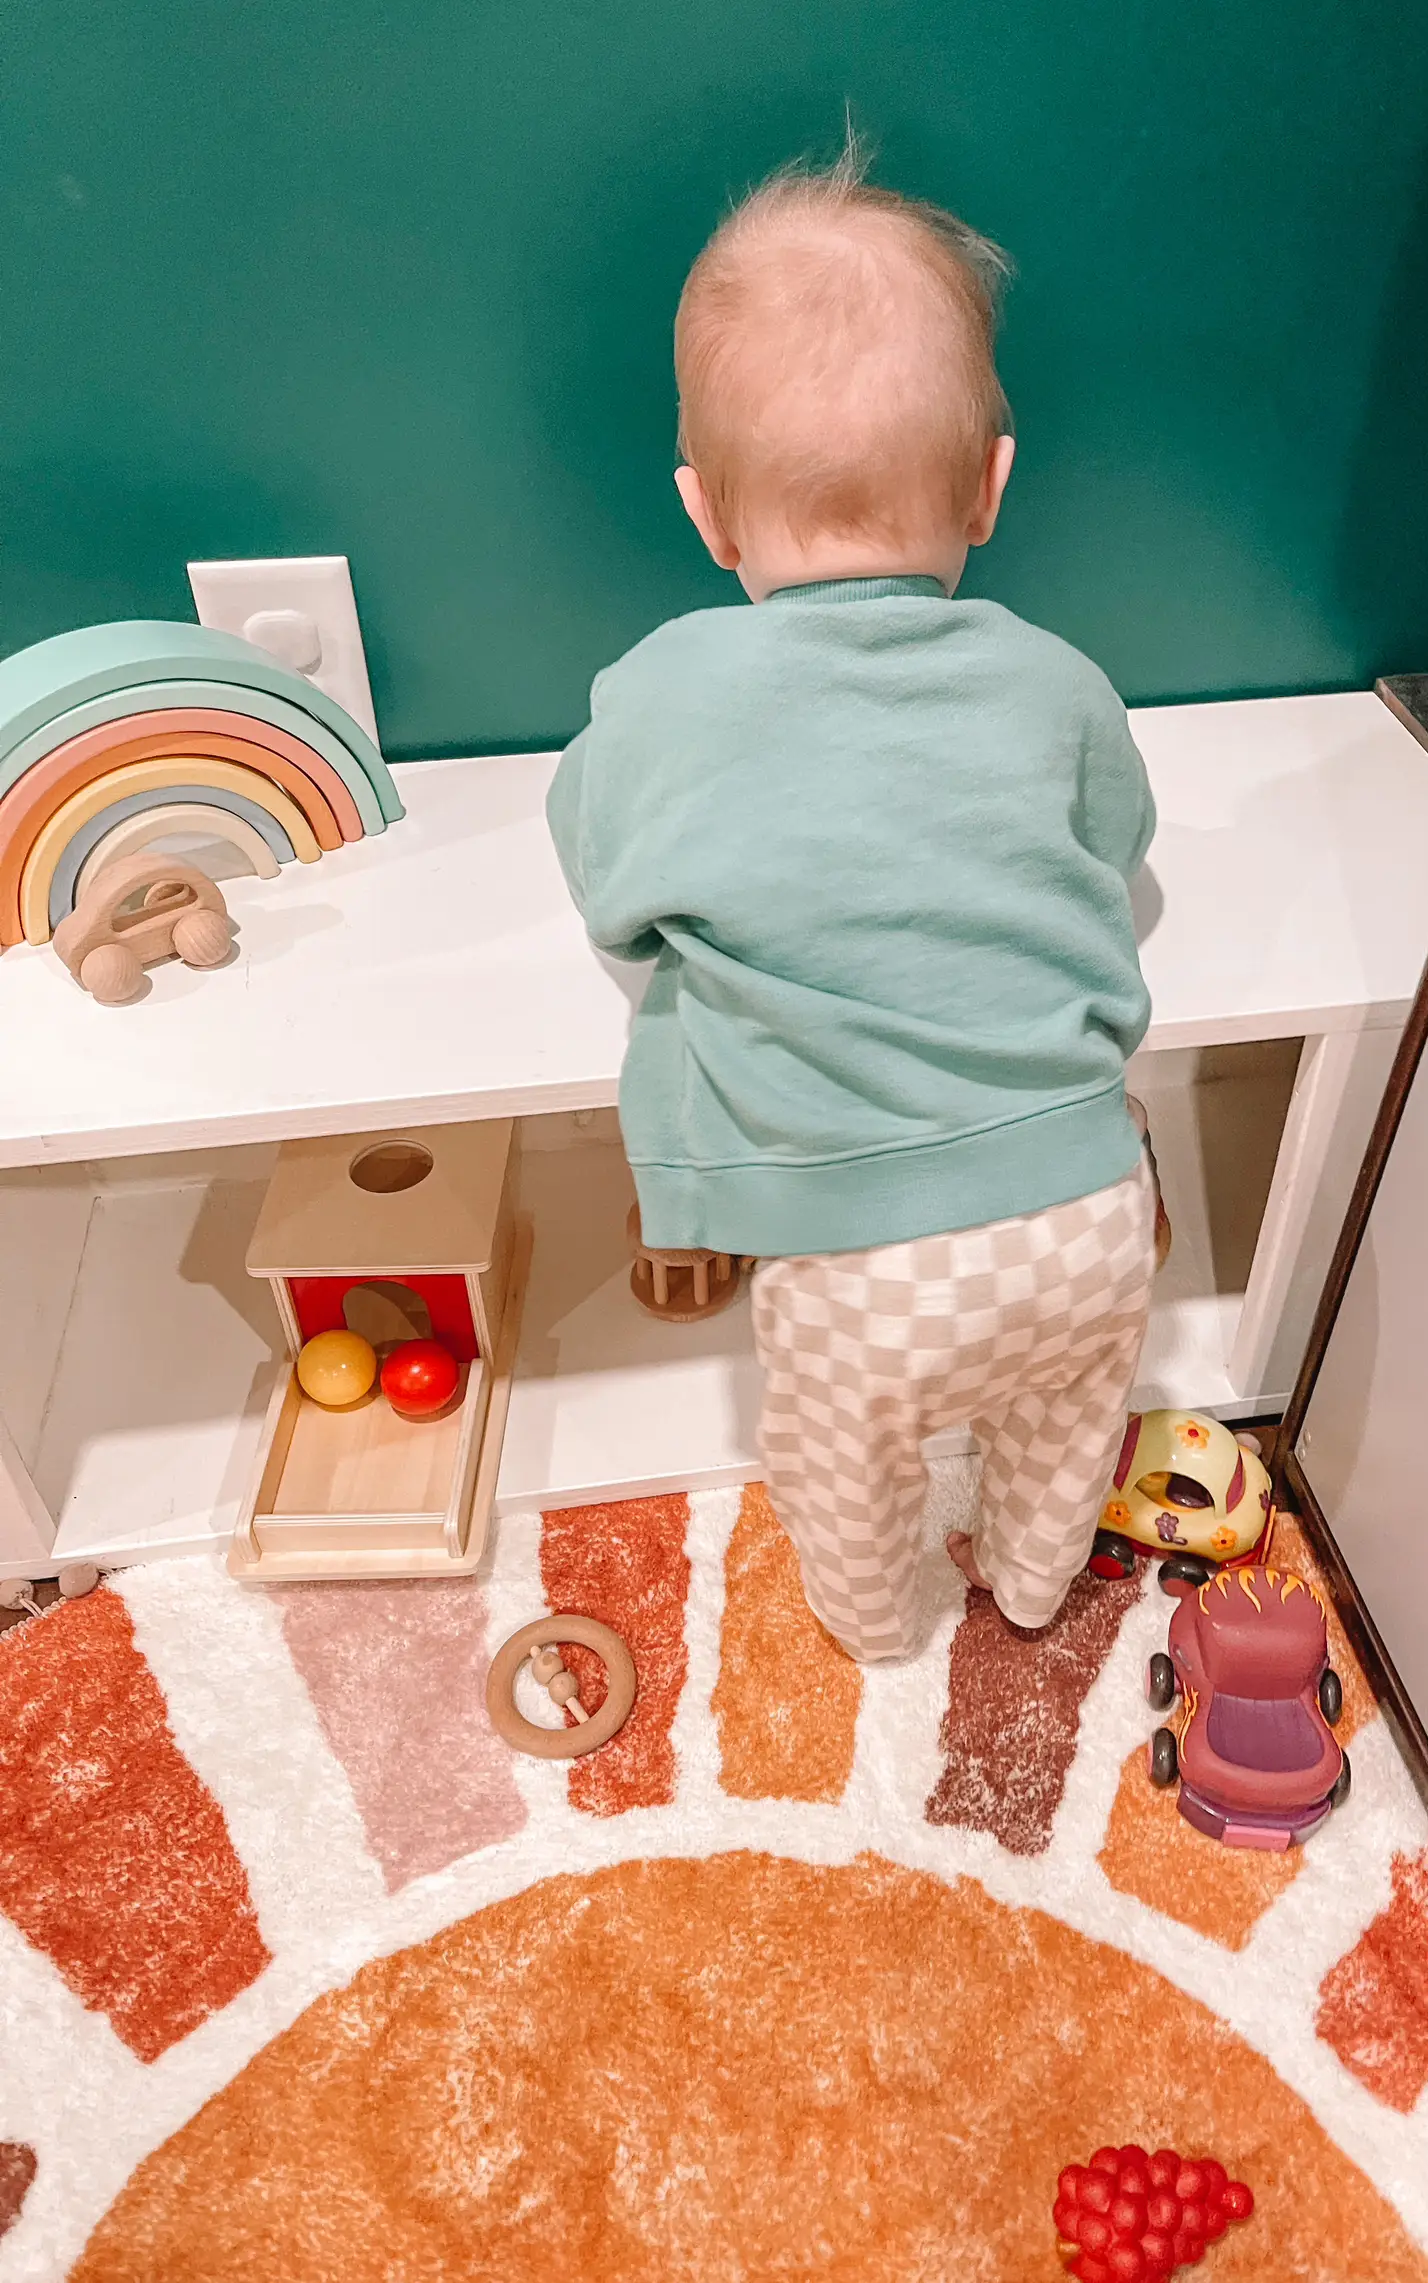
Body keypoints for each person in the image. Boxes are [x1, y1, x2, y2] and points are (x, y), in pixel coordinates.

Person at [548, 147, 1162, 1662]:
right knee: (1060, 1428)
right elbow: (1116, 844)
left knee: (850, 1467)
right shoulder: (1060, 680)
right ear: (990, 486)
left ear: (705, 513)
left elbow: (610, 885)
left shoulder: (660, 693)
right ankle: (1030, 1585)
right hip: (1091, 1212)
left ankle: (880, 1629)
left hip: (861, 1257)